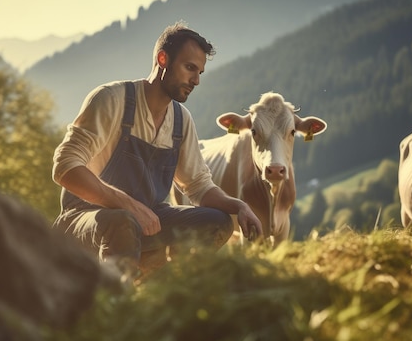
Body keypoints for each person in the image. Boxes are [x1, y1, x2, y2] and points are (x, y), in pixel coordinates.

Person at [52, 22, 262, 277]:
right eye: (189, 68)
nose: (195, 80)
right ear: (163, 59)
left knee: (216, 222)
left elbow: (198, 186)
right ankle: (118, 301)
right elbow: (65, 167)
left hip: (146, 222)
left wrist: (238, 206)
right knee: (123, 222)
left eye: (200, 73)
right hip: (85, 219)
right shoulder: (111, 99)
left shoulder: (181, 120)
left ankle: (171, 292)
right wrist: (129, 205)